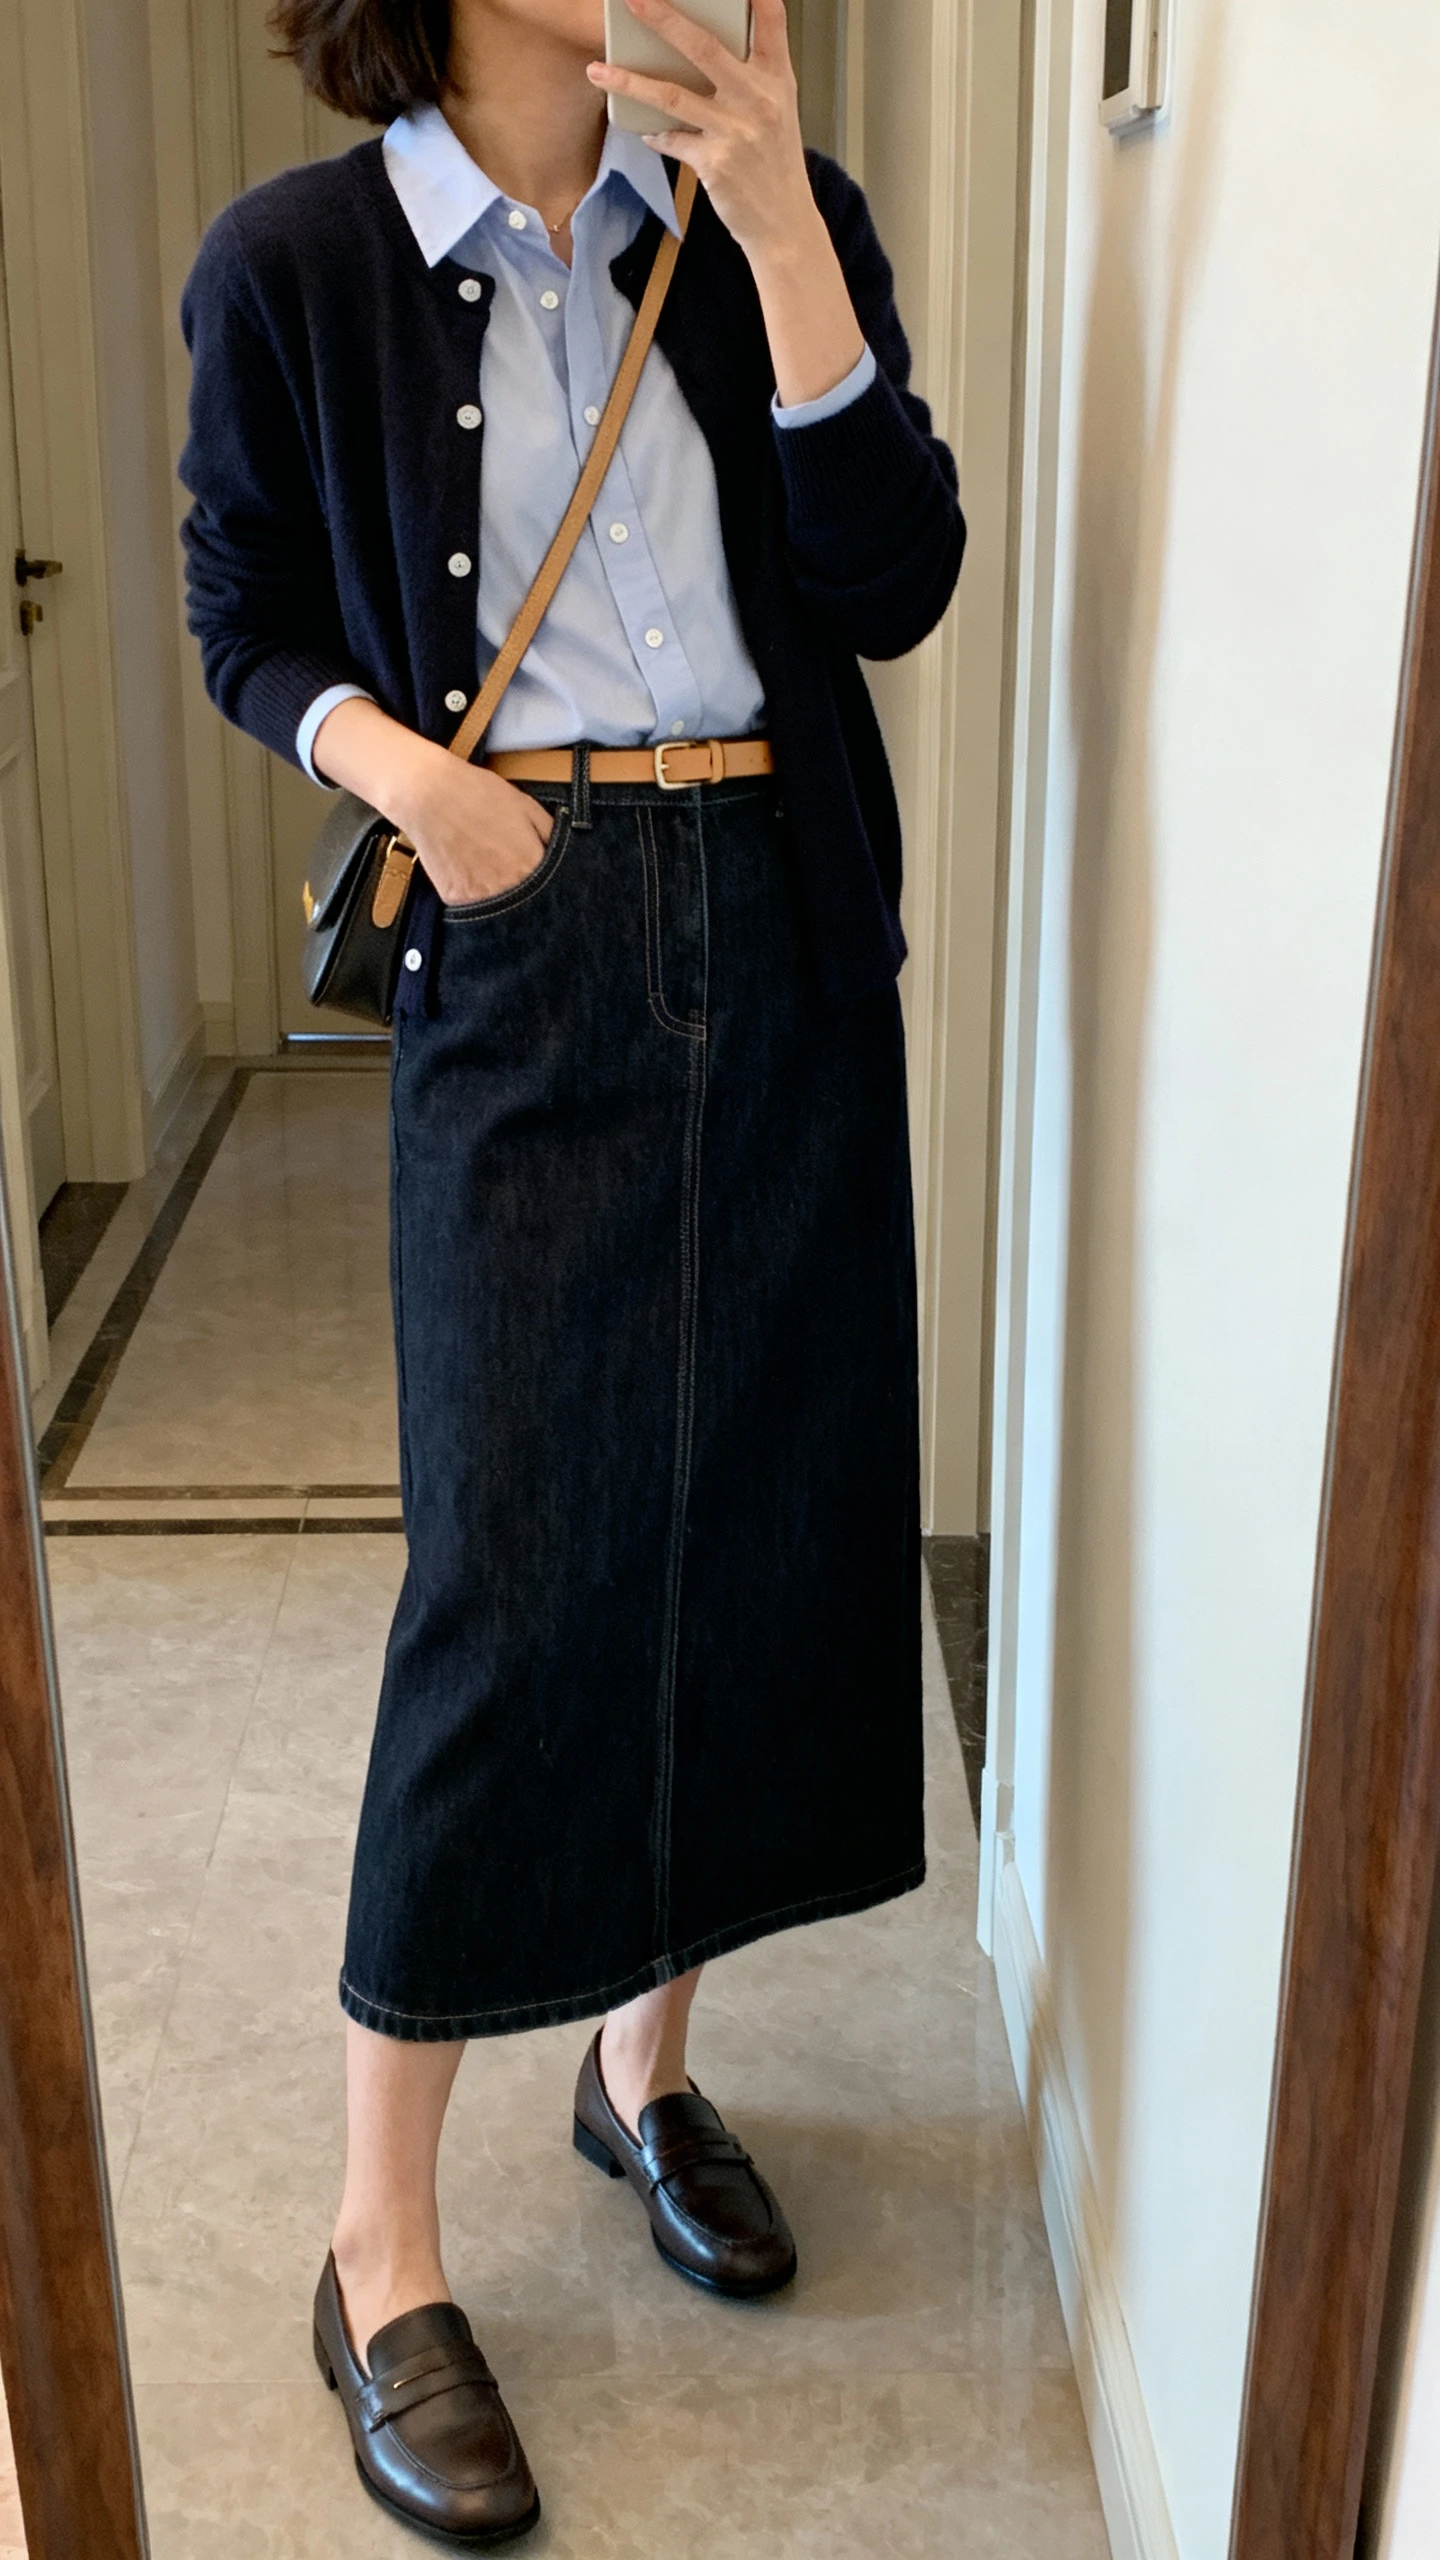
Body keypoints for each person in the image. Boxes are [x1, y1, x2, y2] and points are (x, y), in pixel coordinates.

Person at [179, 0, 963, 2539]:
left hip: (782, 912)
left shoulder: (767, 217)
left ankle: (642, 2064)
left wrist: (787, 253)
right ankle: (373, 2233)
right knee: (513, 1571)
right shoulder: (298, 258)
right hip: (516, 935)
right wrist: (394, 765)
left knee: (752, 1513)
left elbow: (897, 575)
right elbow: (238, 601)